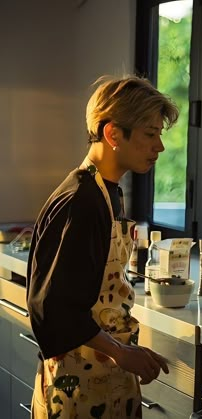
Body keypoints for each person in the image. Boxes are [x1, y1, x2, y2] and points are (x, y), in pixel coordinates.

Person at [26, 74, 179, 419]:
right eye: (150, 134)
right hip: (78, 383)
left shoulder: (107, 192)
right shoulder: (81, 202)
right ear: (113, 134)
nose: (160, 147)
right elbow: (52, 309)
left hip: (102, 373)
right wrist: (121, 353)